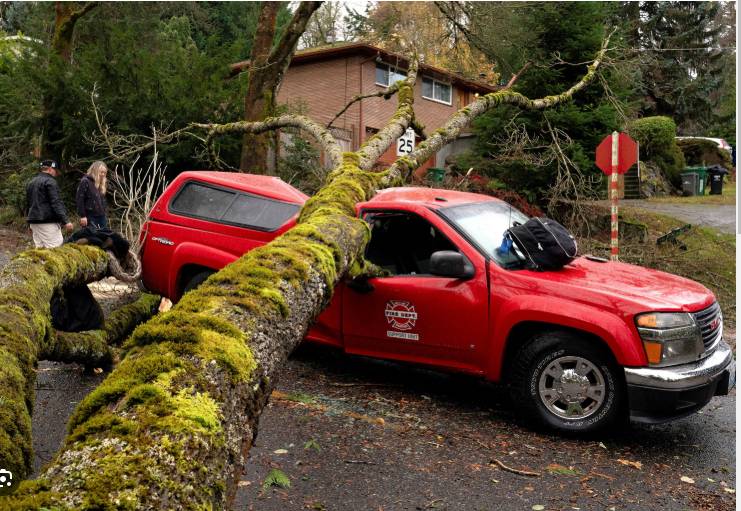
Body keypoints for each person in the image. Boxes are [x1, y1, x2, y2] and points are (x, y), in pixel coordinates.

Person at [26, 159, 73, 248]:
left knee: (39, 250)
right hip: (47, 222)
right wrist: (66, 221)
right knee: (56, 248)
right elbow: (56, 202)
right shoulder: (50, 181)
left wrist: (29, 223)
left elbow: (28, 204)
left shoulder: (31, 182)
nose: (56, 174)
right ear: (51, 169)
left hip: (34, 221)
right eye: (56, 171)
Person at [76, 160, 109, 229]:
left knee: (104, 237)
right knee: (92, 238)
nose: (103, 174)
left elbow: (102, 202)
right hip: (90, 217)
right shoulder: (85, 181)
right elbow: (80, 199)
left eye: (104, 173)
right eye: (101, 172)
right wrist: (83, 216)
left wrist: (105, 214)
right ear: (95, 171)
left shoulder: (101, 184)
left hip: (101, 217)